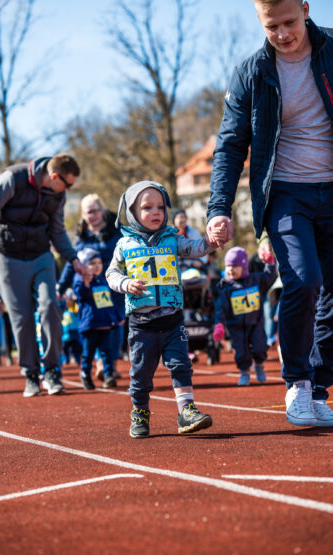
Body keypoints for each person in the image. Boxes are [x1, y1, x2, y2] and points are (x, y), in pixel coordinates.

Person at [206, 0, 333, 427]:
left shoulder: (331, 50)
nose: (282, 34)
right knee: (303, 280)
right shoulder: (251, 72)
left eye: (290, 22)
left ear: (306, 9)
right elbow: (229, 145)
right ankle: (297, 382)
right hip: (285, 195)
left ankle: (318, 389)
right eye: (271, 26)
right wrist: (219, 208)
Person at [106, 180, 224, 438]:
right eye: (148, 207)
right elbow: (111, 273)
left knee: (181, 364)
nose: (156, 212)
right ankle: (140, 411)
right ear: (133, 213)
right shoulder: (124, 244)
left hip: (172, 319)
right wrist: (125, 283)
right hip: (142, 324)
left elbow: (195, 249)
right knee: (140, 374)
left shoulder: (172, 238)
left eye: (160, 206)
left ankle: (186, 411)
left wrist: (211, 240)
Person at [0, 153, 86, 398]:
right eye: (67, 184)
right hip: (7, 256)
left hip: (40, 255)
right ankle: (30, 374)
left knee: (49, 305)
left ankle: (51, 371)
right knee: (22, 317)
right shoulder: (12, 179)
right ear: (55, 176)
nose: (68, 189)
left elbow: (57, 231)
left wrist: (73, 259)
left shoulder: (58, 193)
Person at [57, 194, 125, 380]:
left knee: (116, 326)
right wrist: (61, 288)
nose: (92, 215)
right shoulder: (81, 238)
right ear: (83, 215)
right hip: (92, 290)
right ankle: (103, 363)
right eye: (88, 212)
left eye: (95, 211)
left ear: (102, 211)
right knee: (96, 326)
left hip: (115, 287)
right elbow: (73, 263)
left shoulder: (118, 232)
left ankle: (111, 362)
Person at [213, 247, 277, 385]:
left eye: (235, 266)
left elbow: (270, 276)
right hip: (236, 327)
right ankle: (244, 373)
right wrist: (219, 324)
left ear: (243, 265)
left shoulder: (255, 280)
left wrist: (270, 262)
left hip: (256, 323)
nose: (231, 269)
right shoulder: (226, 287)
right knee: (241, 352)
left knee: (260, 348)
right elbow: (221, 308)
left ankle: (259, 365)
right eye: (228, 266)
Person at [74, 248, 121, 390]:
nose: (97, 266)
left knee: (106, 352)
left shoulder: (102, 280)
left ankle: (108, 375)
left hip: (105, 324)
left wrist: (117, 317)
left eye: (99, 263)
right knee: (88, 354)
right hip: (90, 325)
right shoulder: (80, 280)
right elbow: (81, 294)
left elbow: (108, 303)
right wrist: (86, 282)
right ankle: (85, 374)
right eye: (92, 263)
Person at [61, 289, 82, 365]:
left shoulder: (74, 308)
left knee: (76, 348)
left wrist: (75, 300)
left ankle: (77, 359)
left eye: (69, 299)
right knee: (64, 348)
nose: (68, 301)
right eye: (66, 299)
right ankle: (66, 359)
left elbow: (78, 308)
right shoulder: (63, 308)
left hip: (74, 332)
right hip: (65, 333)